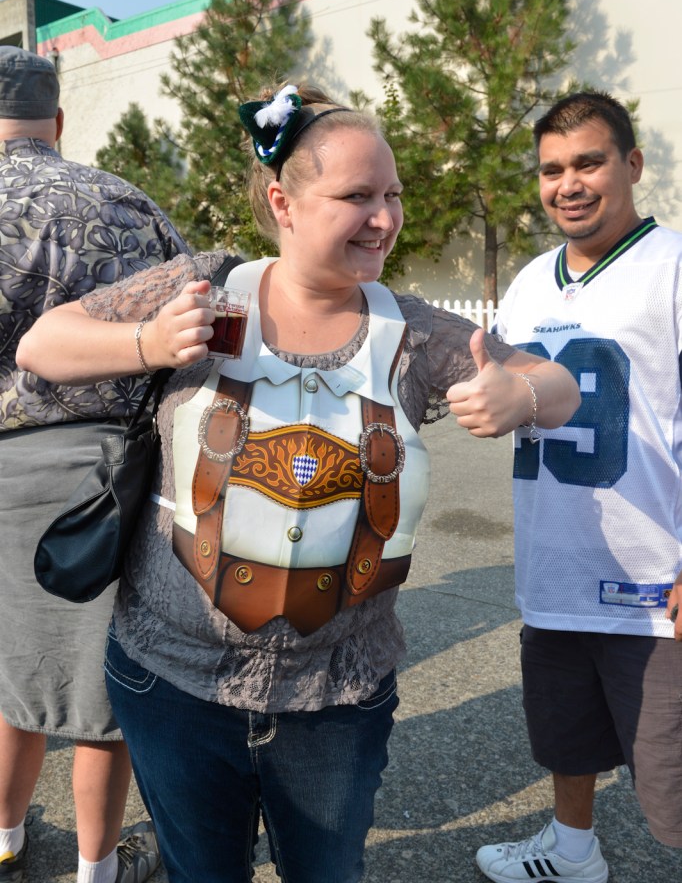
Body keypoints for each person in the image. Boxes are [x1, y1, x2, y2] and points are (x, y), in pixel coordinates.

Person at [17, 82, 580, 883]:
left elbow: (559, 384)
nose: (385, 217)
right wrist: (149, 339)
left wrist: (519, 394)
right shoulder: (206, 289)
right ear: (283, 200)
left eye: (393, 194)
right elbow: (43, 344)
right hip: (172, 681)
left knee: (327, 871)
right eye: (356, 196)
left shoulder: (412, 331)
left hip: (337, 698)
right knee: (201, 872)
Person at [475, 91, 682, 883]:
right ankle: (572, 853)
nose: (569, 183)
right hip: (555, 570)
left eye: (589, 162)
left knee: (667, 780)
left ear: (631, 164)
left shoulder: (671, 268)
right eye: (552, 169)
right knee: (566, 739)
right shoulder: (532, 281)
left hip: (652, 585)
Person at [0, 45, 191, 883]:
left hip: (4, 471)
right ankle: (97, 867)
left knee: (10, 674)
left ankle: (3, 841)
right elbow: (193, 328)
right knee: (97, 694)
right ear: (60, 121)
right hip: (108, 478)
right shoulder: (123, 200)